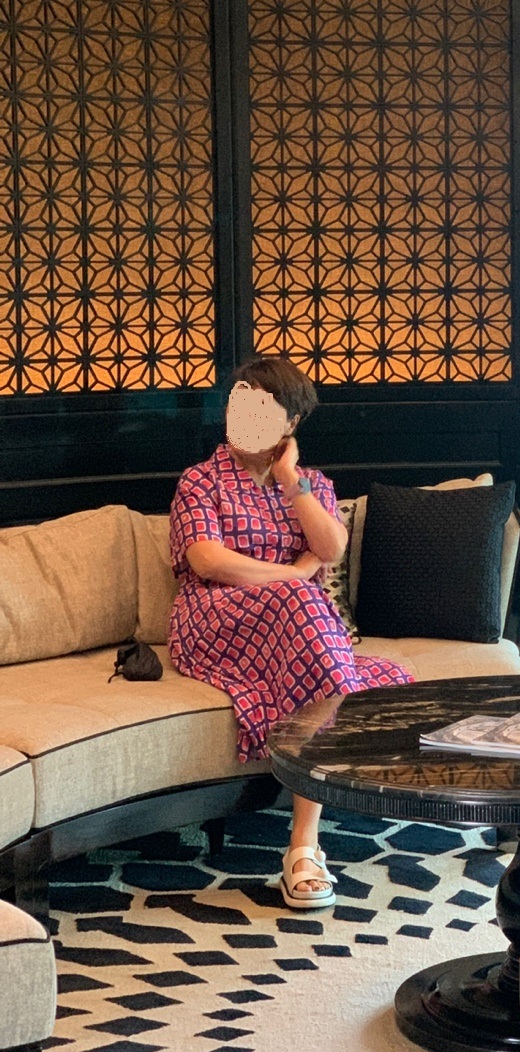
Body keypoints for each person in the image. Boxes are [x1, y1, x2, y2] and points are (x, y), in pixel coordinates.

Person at [168, 355, 412, 910]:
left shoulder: (311, 484)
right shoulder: (201, 480)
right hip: (213, 619)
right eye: (239, 402)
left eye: (262, 406)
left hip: (293, 632)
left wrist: (289, 479)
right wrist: (294, 576)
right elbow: (208, 560)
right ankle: (303, 846)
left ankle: (305, 842)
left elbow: (331, 548)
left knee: (376, 671)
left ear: (291, 423)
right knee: (307, 609)